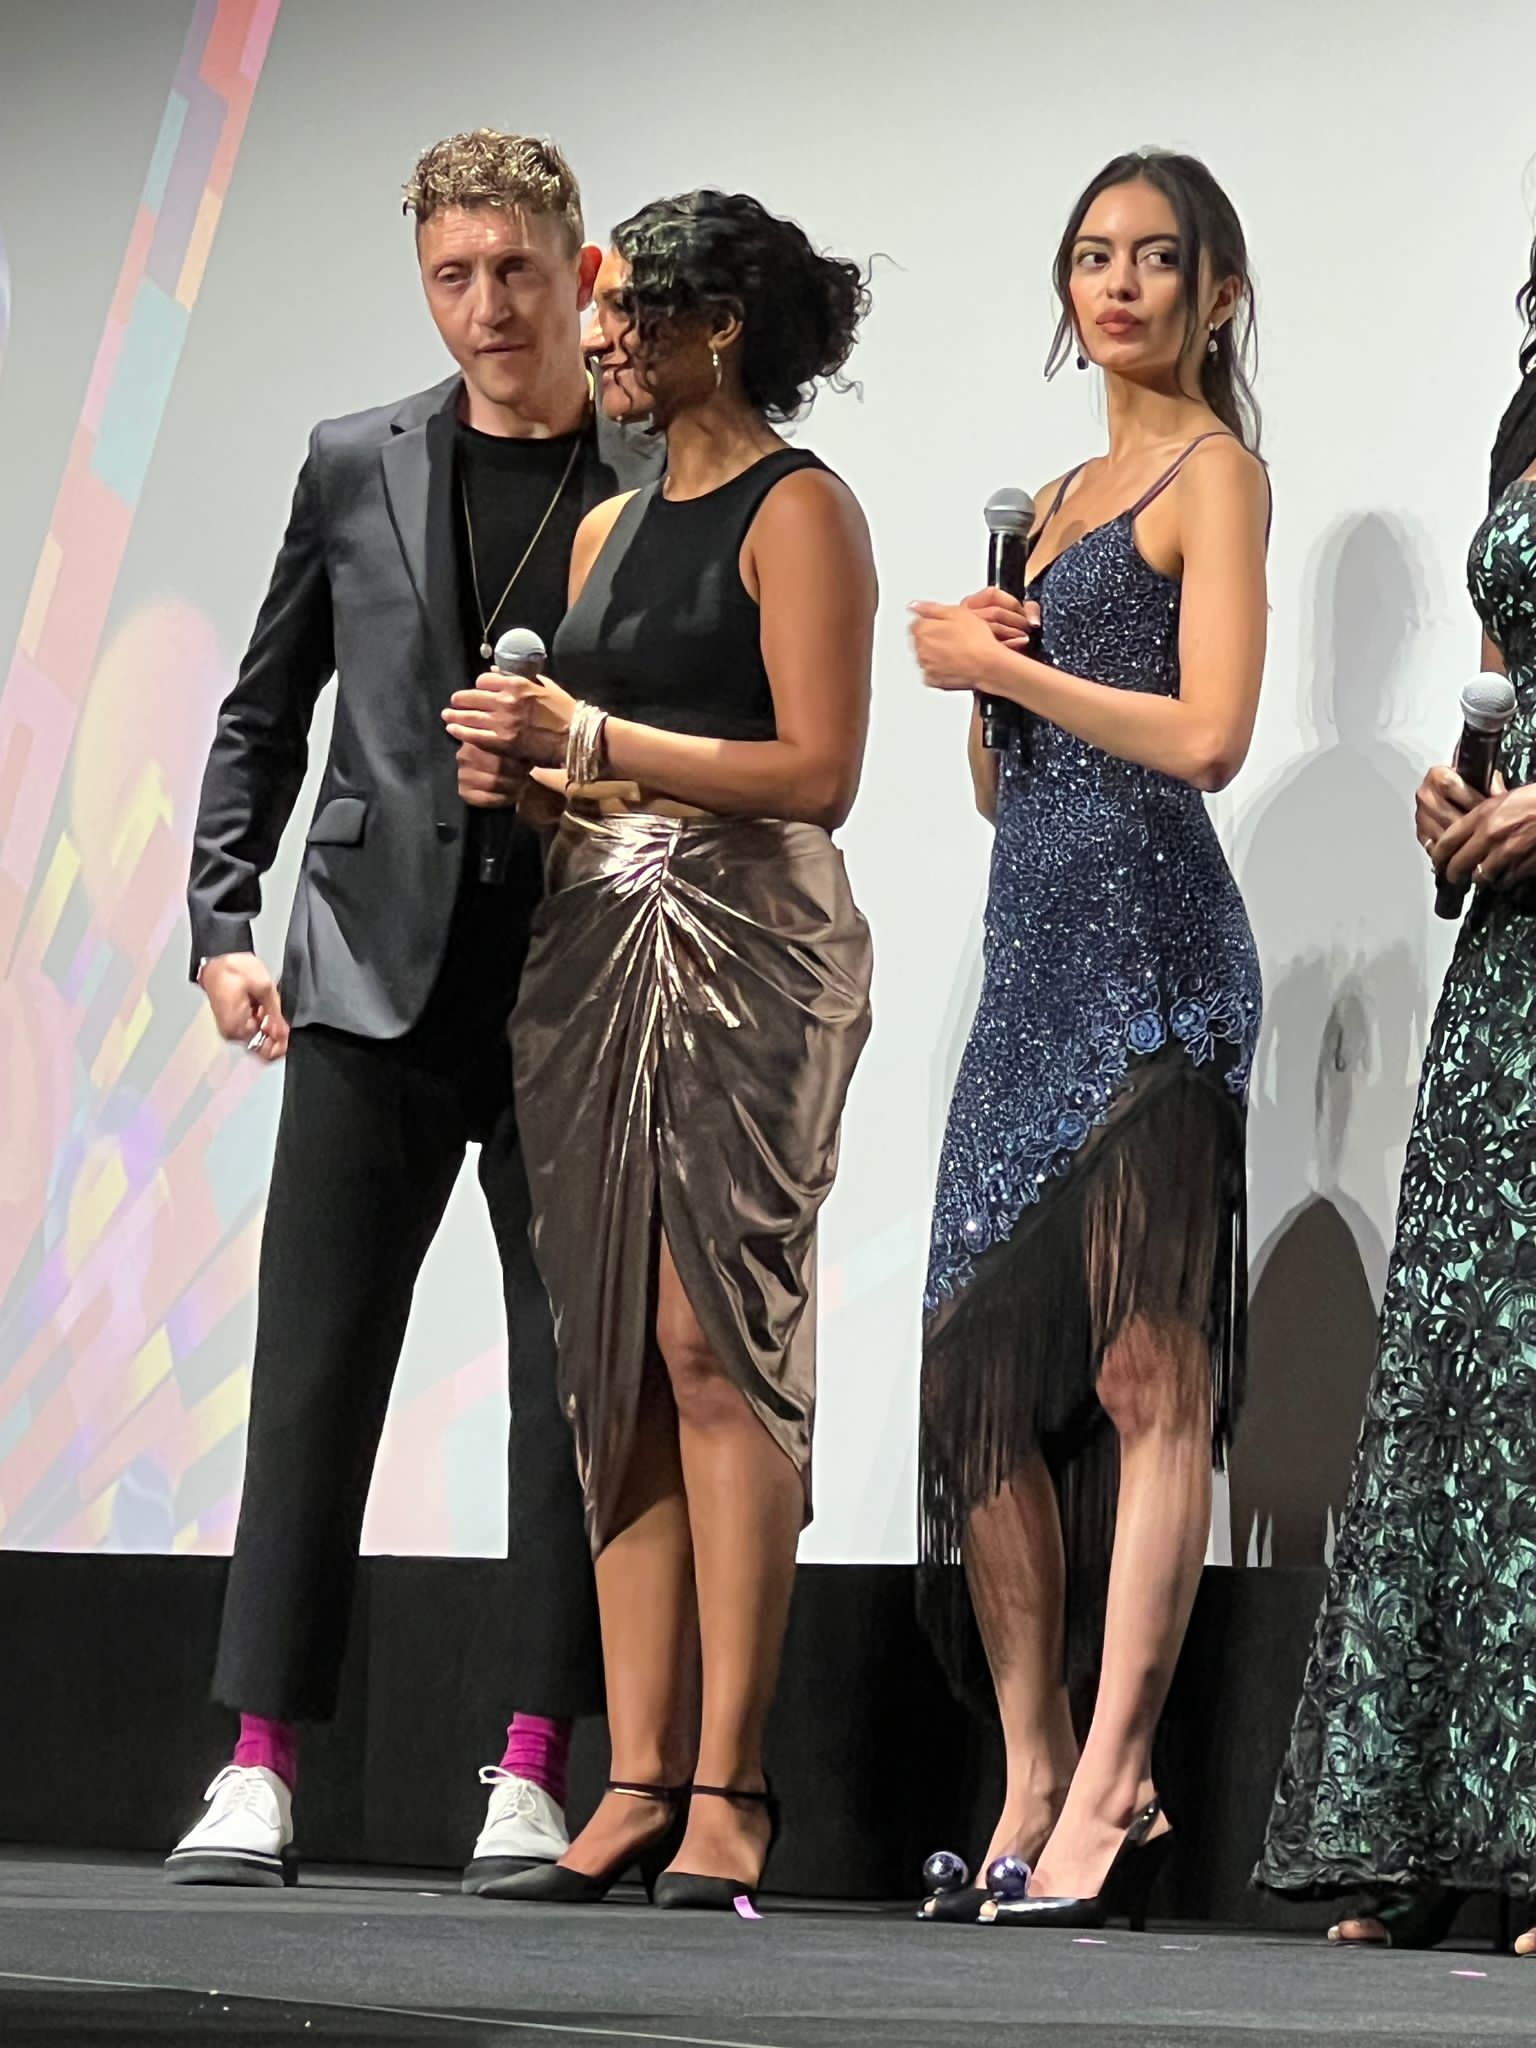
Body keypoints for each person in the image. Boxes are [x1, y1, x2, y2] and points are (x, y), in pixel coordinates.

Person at [170, 131, 661, 1891]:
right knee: (313, 1378)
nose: (486, 307)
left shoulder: (659, 469)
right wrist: (222, 917)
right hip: (368, 978)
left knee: (569, 1393)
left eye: (516, 271)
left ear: (579, 269)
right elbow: (263, 710)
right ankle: (257, 1765)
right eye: (453, 276)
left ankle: (532, 1766)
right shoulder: (353, 460)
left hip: (576, 980)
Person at [441, 189, 876, 1911]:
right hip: (592, 945)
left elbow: (818, 772)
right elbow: (595, 782)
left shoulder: (800, 509)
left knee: (714, 1346)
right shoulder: (609, 531)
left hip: (749, 949)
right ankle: (632, 1780)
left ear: (721, 326)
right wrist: (528, 777)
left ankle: (732, 1784)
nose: (601, 336)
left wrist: (596, 733)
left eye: (632, 311)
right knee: (611, 1358)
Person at [908, 149, 1269, 1930]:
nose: (1118, 285)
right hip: (1031, 974)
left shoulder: (1217, 476)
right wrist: (987, 684)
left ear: (1218, 294)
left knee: (1146, 1380)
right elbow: (1009, 789)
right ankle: (1034, 1763)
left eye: (1156, 258)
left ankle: (1119, 1776)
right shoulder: (1049, 502)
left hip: (1157, 972)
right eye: (1093, 257)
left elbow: (1207, 738)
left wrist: (1012, 674)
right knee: (976, 1390)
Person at [1256, 225, 1536, 1953]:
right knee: (1469, 1379)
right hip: (1516, 967)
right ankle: (1444, 1824)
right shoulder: (1531, 412)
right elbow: (1507, 674)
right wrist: (1462, 790)